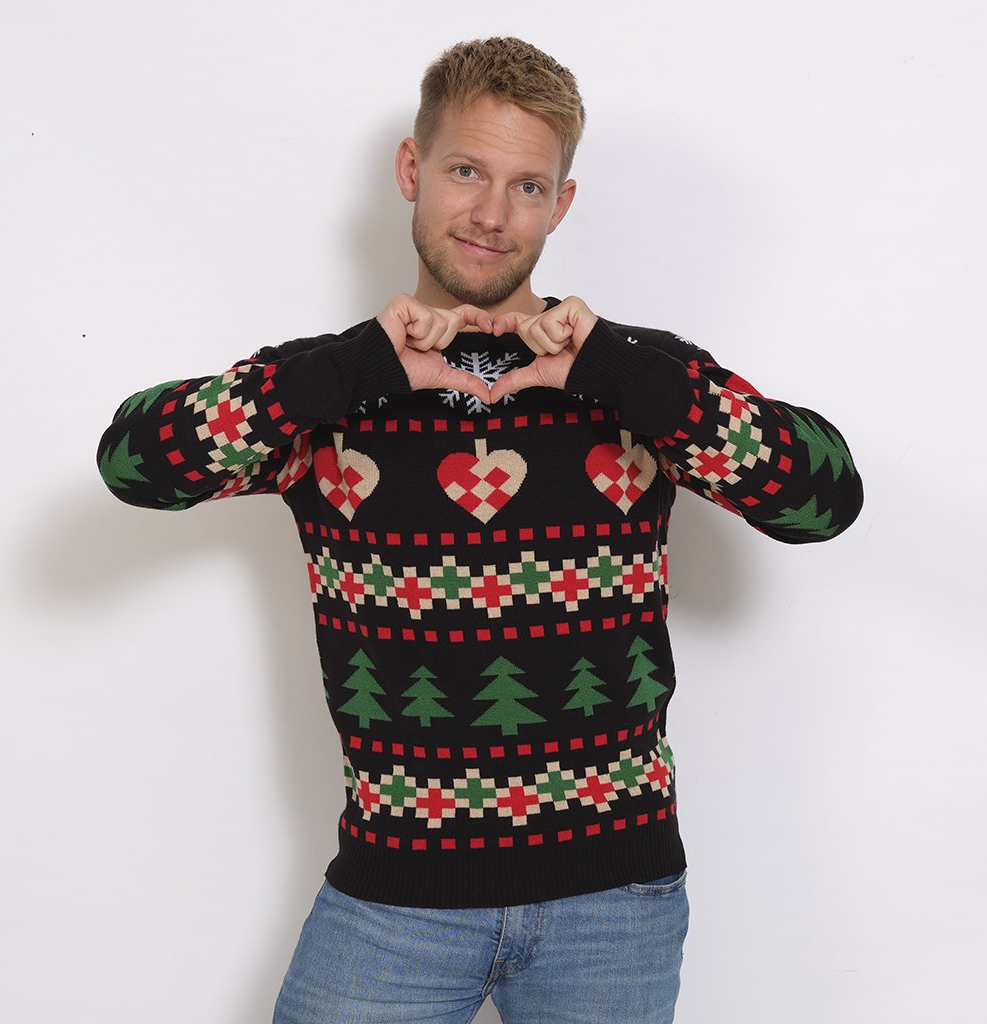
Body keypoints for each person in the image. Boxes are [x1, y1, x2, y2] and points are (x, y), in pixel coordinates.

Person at [96, 36, 863, 1024]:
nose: (493, 215)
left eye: (526, 186)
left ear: (561, 204)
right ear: (411, 170)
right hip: (391, 904)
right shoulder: (329, 388)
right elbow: (135, 464)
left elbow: (822, 497)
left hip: (615, 904)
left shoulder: (638, 377)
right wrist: (355, 368)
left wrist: (616, 370)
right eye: (466, 171)